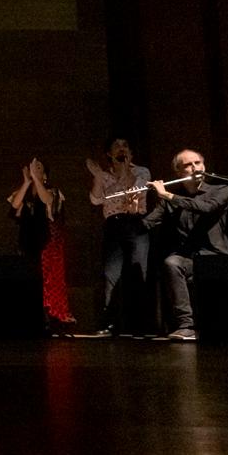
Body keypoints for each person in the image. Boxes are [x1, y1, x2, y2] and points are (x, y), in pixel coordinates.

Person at [143, 148, 228, 341]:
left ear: (204, 166)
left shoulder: (220, 190)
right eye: (188, 165)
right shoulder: (170, 198)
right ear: (178, 173)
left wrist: (168, 196)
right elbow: (146, 224)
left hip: (216, 258)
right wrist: (133, 210)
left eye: (197, 163)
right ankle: (186, 325)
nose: (194, 168)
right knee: (172, 262)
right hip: (190, 259)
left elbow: (205, 208)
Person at [86, 136, 151, 335]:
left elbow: (136, 192)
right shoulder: (104, 175)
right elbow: (96, 200)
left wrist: (124, 169)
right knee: (111, 274)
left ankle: (138, 323)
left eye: (125, 145)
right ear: (109, 153)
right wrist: (97, 176)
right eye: (117, 146)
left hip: (135, 223)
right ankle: (109, 323)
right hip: (113, 224)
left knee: (138, 271)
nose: (121, 149)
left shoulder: (141, 171)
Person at [9, 156, 75, 331]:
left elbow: (47, 201)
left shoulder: (52, 190)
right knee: (27, 277)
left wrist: (37, 180)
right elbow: (15, 205)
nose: (33, 169)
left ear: (45, 174)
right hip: (27, 240)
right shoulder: (26, 191)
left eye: (37, 167)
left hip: (47, 241)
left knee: (48, 279)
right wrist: (26, 182)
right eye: (31, 167)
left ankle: (52, 317)